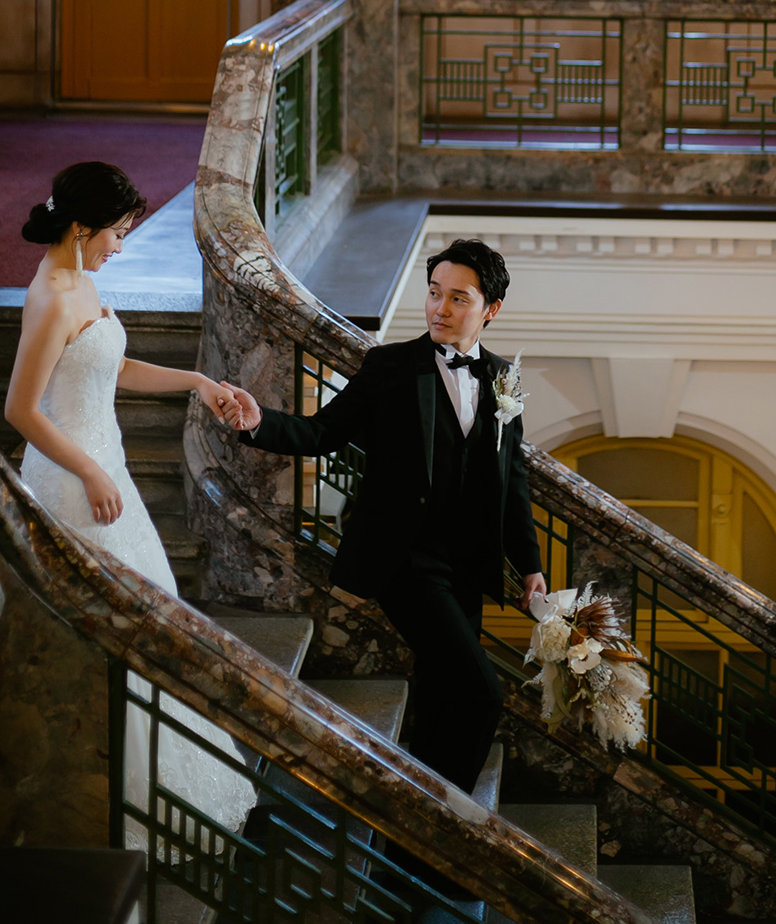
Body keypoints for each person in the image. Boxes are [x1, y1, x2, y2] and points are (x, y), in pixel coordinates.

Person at [221, 237, 547, 805]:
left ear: (490, 310)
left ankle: (415, 833)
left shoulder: (504, 380)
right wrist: (257, 423)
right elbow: (322, 433)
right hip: (405, 559)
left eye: (457, 299)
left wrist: (530, 567)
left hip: (467, 565)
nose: (439, 309)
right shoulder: (390, 367)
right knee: (482, 693)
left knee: (445, 694)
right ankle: (453, 818)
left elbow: (511, 482)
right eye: (433, 294)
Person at [6, 159, 254, 842]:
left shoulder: (83, 282)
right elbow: (21, 410)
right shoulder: (53, 296)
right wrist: (88, 470)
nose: (122, 246)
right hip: (75, 481)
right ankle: (104, 799)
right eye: (116, 233)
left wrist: (200, 381)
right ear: (81, 227)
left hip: (103, 470)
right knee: (119, 632)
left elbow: (115, 369)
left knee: (149, 621)